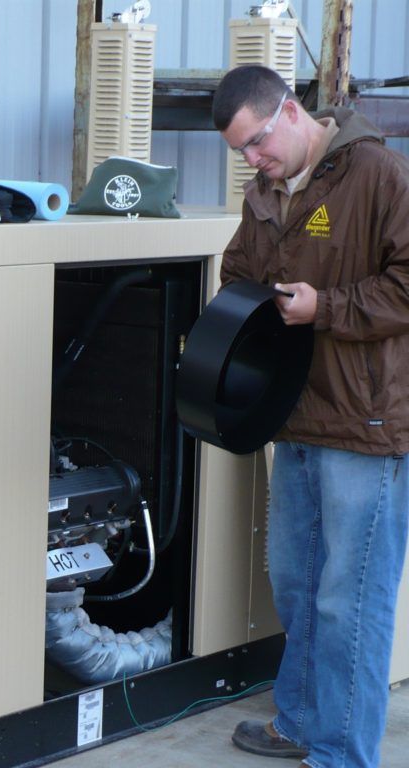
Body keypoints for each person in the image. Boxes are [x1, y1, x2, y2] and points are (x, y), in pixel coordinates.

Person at [212, 64, 409, 768]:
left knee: (348, 603)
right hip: (293, 416)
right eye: (242, 152)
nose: (254, 161)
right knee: (297, 586)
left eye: (259, 143)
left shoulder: (380, 175)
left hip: (365, 424)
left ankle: (342, 754)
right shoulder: (265, 193)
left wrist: (325, 309)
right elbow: (239, 273)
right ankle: (299, 721)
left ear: (292, 113)